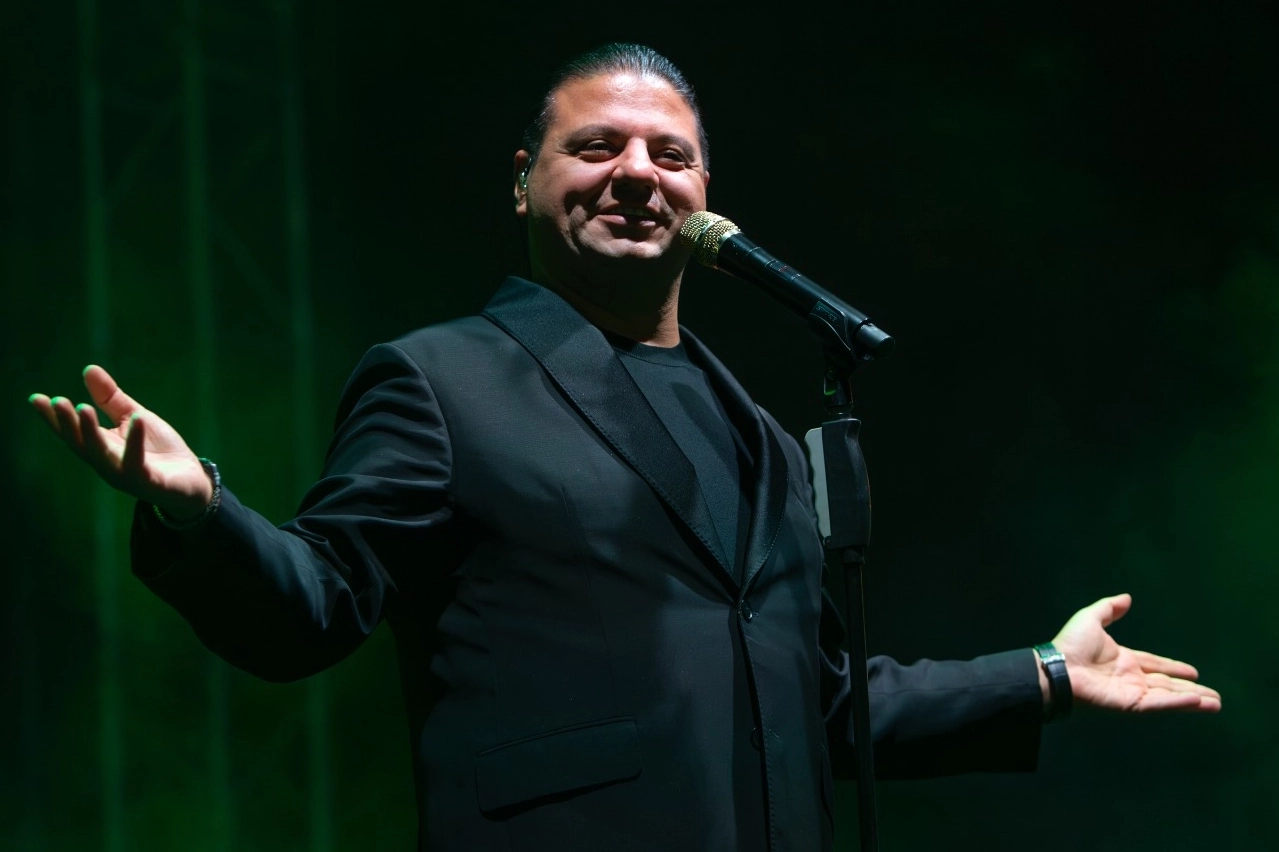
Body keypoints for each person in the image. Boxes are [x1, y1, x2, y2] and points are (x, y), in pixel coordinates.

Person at [30, 43, 1220, 852]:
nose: (637, 174)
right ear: (523, 182)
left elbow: (813, 702)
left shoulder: (762, 436)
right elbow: (319, 602)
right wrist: (200, 511)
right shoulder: (441, 379)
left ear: (704, 200)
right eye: (596, 146)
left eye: (669, 154)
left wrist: (1044, 675)